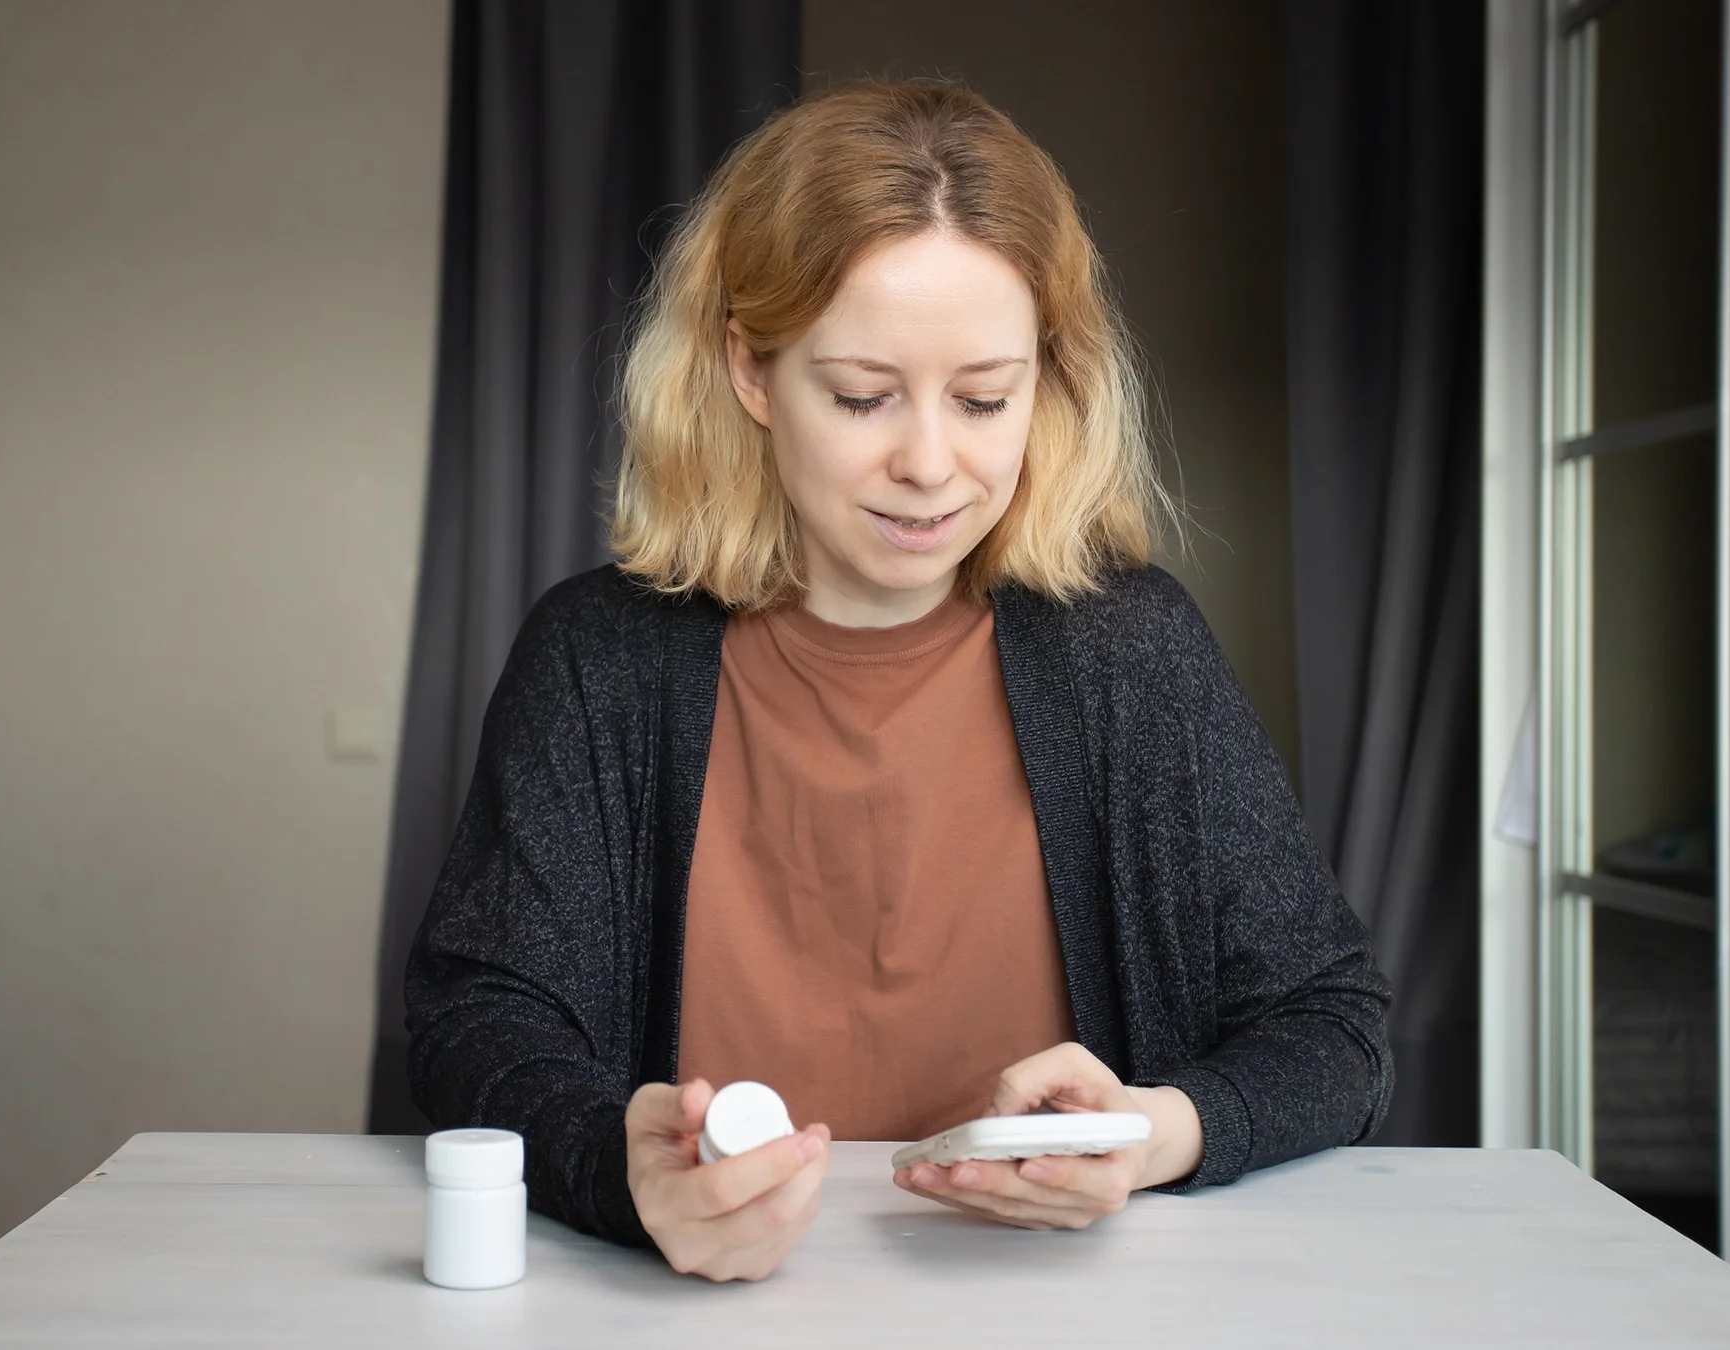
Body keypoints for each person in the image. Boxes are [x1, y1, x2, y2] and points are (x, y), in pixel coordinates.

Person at [405, 79, 1392, 1283]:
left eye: (985, 399)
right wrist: (622, 1172)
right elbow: (476, 1021)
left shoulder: (1134, 654)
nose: (930, 464)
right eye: (863, 396)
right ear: (752, 374)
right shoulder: (597, 657)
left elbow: (1333, 1027)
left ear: (1048, 380)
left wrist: (1149, 1136)